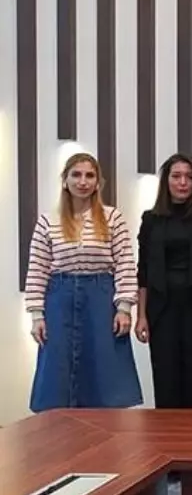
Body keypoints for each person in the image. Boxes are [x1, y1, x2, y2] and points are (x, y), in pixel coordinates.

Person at [24, 153, 142, 411]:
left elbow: (124, 263)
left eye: (90, 175)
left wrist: (124, 308)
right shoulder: (48, 220)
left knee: (103, 366)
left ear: (98, 182)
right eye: (76, 175)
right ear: (65, 180)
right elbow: (37, 268)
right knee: (57, 366)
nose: (83, 181)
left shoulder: (112, 218)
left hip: (101, 297)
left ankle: (104, 438)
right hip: (59, 297)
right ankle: (58, 437)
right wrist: (36, 315)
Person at [135, 153, 192, 409]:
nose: (183, 182)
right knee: (166, 380)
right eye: (176, 176)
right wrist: (141, 316)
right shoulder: (151, 219)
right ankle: (166, 444)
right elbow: (143, 270)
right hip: (161, 310)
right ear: (166, 181)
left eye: (189, 177)